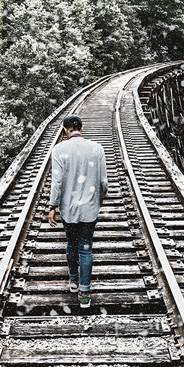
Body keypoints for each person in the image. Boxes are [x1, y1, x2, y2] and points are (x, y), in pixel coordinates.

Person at [47, 114, 108, 308]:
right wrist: (101, 197)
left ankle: (73, 280)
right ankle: (84, 292)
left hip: (68, 208)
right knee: (86, 247)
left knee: (71, 243)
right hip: (89, 208)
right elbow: (103, 182)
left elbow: (56, 182)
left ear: (65, 130)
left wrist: (52, 206)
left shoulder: (58, 150)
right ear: (82, 128)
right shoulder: (97, 149)